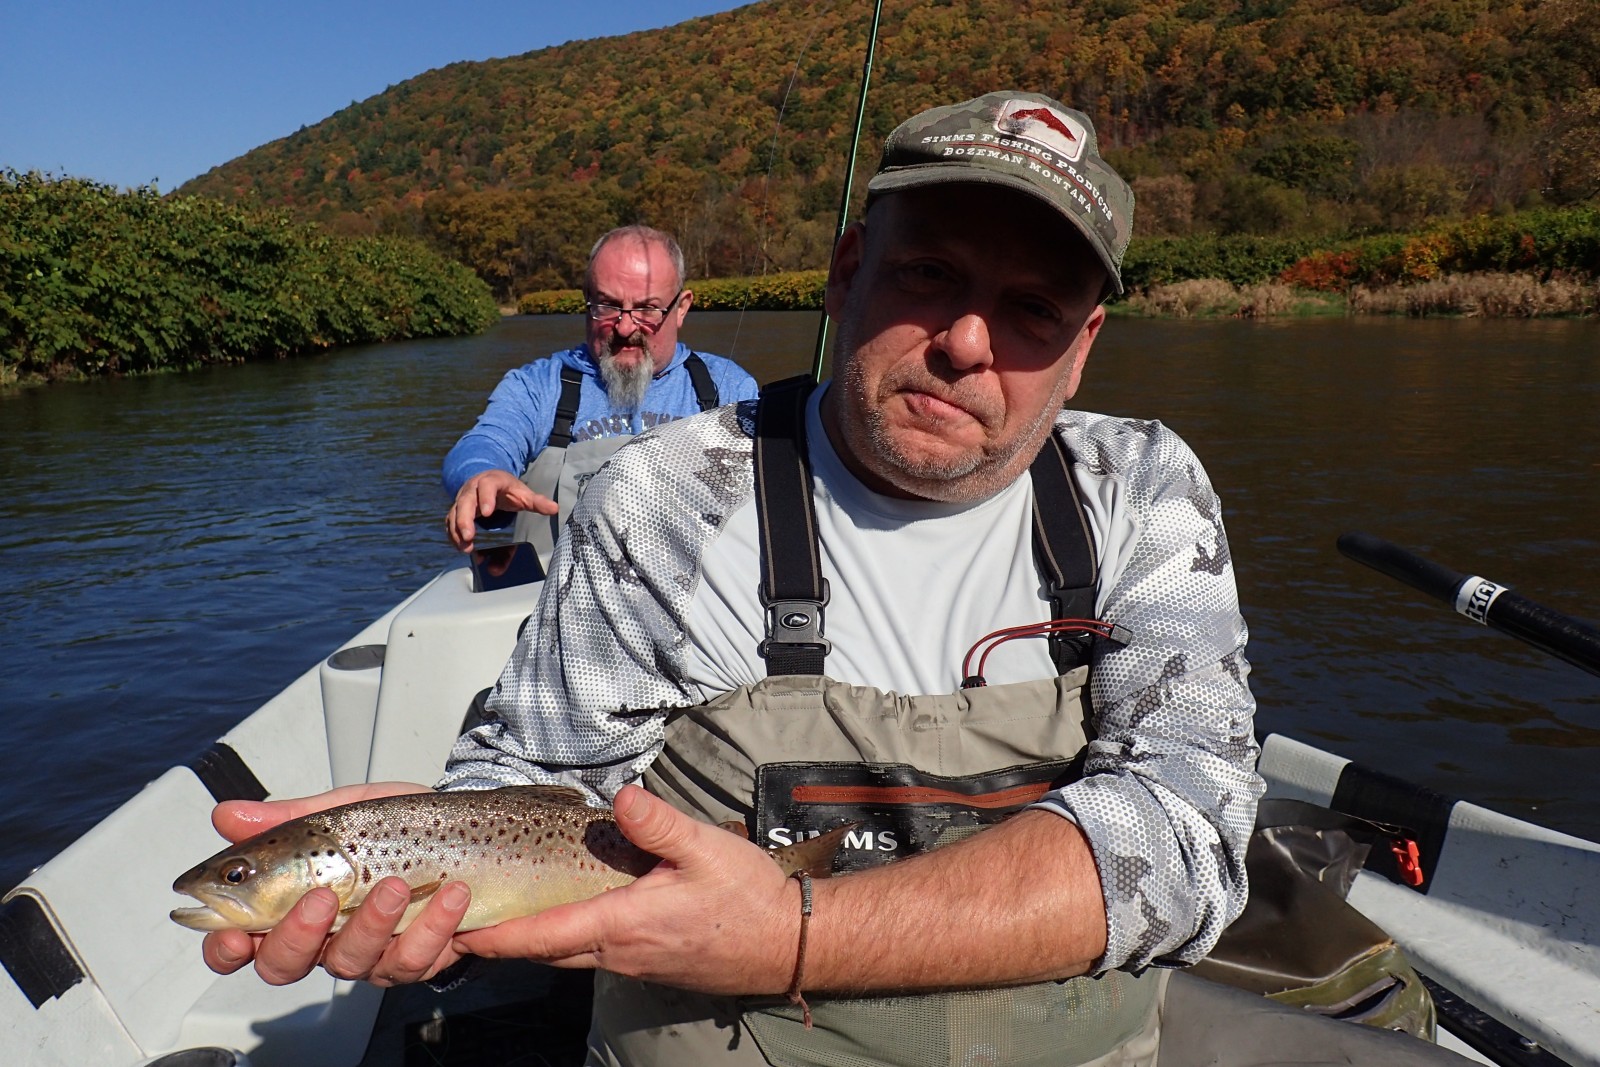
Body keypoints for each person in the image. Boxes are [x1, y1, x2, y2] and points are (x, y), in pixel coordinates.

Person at [201, 92, 1470, 1066]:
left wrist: (804, 933)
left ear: (1083, 348)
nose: (970, 342)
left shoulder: (1142, 489)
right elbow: (543, 779)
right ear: (847, 272)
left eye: (1032, 307)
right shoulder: (671, 495)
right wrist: (410, 846)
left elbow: (1192, 835)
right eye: (929, 276)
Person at [442, 224, 758, 561]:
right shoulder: (537, 386)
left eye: (646, 308)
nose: (625, 327)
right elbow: (485, 443)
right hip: (563, 605)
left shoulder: (728, 387)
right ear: (586, 300)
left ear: (681, 308)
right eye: (607, 306)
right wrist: (481, 475)